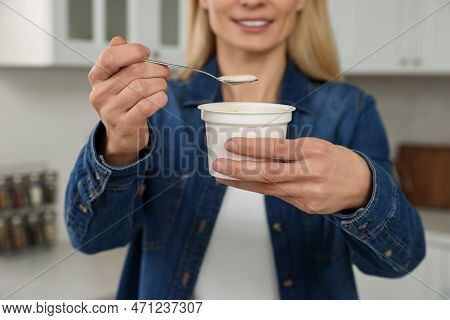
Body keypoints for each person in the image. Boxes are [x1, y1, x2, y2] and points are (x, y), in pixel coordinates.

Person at [65, 0, 425, 299]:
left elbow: (400, 261)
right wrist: (119, 144)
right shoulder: (155, 107)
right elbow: (91, 239)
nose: (252, 1)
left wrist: (362, 191)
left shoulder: (350, 110)